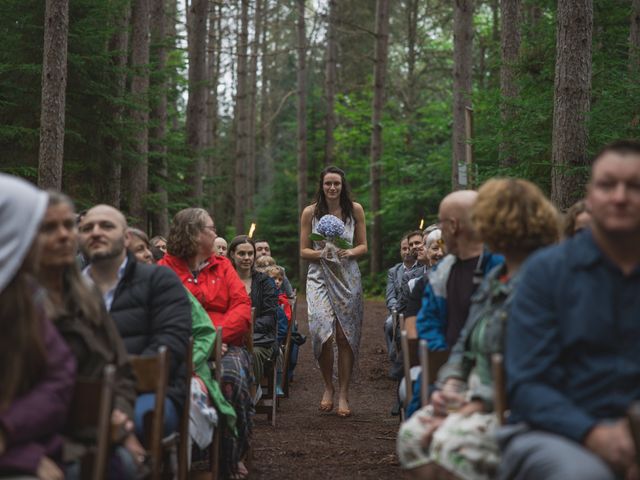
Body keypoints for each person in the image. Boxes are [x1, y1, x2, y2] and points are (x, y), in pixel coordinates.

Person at [397, 178, 560, 479]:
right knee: (411, 438)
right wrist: (448, 385)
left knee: (447, 444)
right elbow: (464, 343)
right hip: (470, 388)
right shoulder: (496, 275)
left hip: (505, 401)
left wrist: (470, 405)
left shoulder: (541, 280)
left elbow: (522, 365)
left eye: (485, 218)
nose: (479, 226)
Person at [500, 140, 640, 480]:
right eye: (608, 185)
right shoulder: (546, 273)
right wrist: (595, 434)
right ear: (590, 196)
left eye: (635, 186)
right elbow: (526, 384)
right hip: (554, 433)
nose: (620, 197)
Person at [37, 192, 143, 478]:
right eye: (48, 228)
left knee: (126, 464)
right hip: (32, 439)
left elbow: (121, 370)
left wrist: (119, 416)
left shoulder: (87, 297)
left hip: (90, 436)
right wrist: (31, 455)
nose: (62, 235)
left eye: (67, 227)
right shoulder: (16, 299)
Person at [78, 205, 191, 441]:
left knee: (130, 425)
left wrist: (116, 393)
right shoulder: (68, 288)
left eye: (107, 226)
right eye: (87, 228)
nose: (96, 232)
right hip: (81, 390)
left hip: (149, 390)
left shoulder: (159, 280)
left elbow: (171, 343)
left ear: (126, 237)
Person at [158, 208, 252, 479]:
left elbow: (242, 306)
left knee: (232, 377)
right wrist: (199, 341)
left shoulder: (222, 266)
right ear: (195, 234)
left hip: (226, 342)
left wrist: (216, 335)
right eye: (211, 228)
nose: (215, 233)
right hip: (182, 344)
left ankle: (232, 454)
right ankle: (190, 454)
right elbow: (163, 314)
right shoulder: (164, 269)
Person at [0, 175, 76, 480]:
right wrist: (24, 458)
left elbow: (60, 374)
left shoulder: (23, 297)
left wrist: (9, 428)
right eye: (37, 229)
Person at [406, 191, 503, 418]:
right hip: (444, 376)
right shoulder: (440, 273)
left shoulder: (499, 269)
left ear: (453, 225)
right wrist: (448, 367)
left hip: (491, 378)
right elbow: (427, 324)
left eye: (441, 222)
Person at [300, 166, 367, 417]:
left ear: (342, 185)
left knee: (343, 335)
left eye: (336, 184)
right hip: (319, 276)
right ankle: (327, 385)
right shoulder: (310, 212)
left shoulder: (355, 210)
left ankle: (343, 393)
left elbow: (363, 246)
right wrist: (322, 252)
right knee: (322, 332)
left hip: (347, 275)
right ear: (322, 185)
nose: (332, 188)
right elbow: (303, 250)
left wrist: (348, 251)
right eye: (328, 183)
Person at [227, 235, 279, 388]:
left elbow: (270, 317)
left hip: (260, 339)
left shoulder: (264, 282)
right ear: (232, 254)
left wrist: (246, 329)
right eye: (241, 253)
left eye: (250, 253)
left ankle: (251, 393)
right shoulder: (225, 279)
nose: (246, 257)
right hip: (230, 336)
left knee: (253, 352)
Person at [384, 235, 419, 354]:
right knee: (389, 324)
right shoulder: (393, 271)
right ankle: (393, 356)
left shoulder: (423, 267)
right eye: (404, 249)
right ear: (400, 251)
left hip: (416, 309)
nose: (407, 251)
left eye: (409, 248)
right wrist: (398, 311)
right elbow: (390, 297)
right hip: (398, 310)